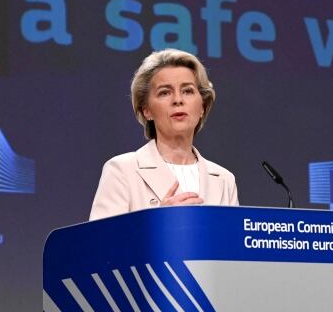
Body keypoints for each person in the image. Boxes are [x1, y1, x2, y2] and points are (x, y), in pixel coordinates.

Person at [90, 49, 238, 220]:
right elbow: (100, 244)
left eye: (188, 91)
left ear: (202, 107)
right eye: (165, 92)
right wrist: (158, 222)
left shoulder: (224, 180)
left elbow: (232, 244)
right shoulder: (121, 171)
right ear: (146, 110)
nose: (178, 100)